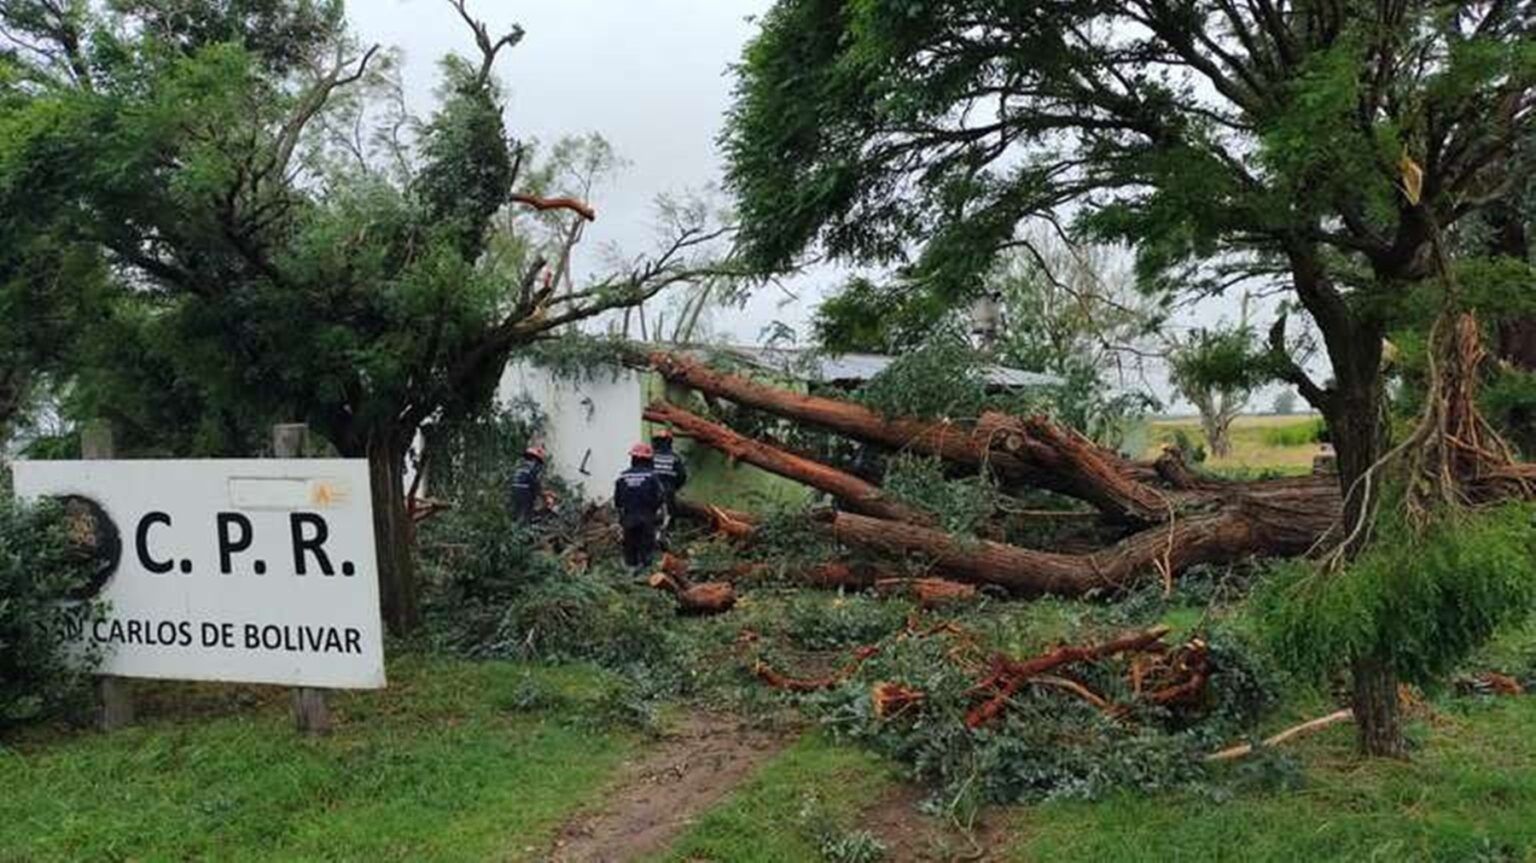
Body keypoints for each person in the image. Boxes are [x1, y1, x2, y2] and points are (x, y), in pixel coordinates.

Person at [614, 442, 664, 572]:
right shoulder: (652, 477)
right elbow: (660, 497)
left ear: (633, 459)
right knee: (646, 551)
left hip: (629, 518)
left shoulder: (622, 476)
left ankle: (630, 574)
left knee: (630, 550)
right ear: (648, 460)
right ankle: (645, 574)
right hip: (647, 518)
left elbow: (618, 501)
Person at [650, 428, 688, 542]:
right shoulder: (674, 458)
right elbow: (682, 476)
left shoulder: (650, 457)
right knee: (670, 516)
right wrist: (674, 487)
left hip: (651, 494)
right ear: (669, 442)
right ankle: (668, 539)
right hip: (668, 492)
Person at [509, 445, 546, 524]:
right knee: (527, 509)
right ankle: (525, 524)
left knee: (517, 509)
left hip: (514, 487)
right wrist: (540, 493)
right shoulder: (534, 466)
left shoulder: (521, 464)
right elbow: (534, 481)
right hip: (525, 489)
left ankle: (515, 522)